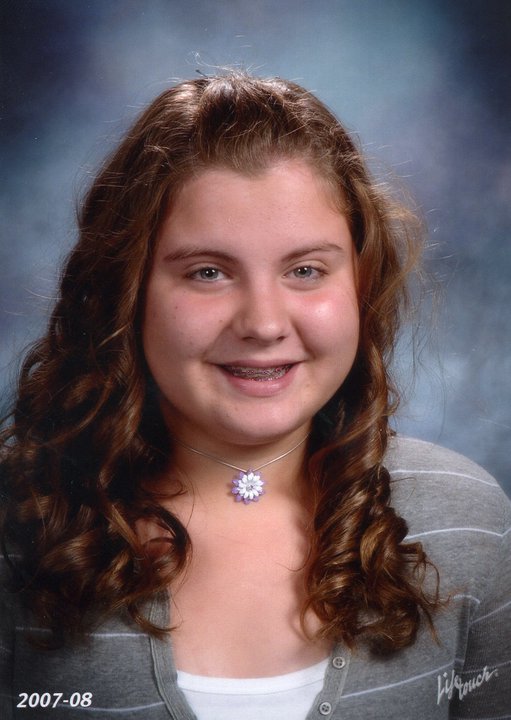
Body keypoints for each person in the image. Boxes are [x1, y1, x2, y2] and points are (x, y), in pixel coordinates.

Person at [0, 73, 509, 720]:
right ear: (126, 292)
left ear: (360, 282)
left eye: (306, 270)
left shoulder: (467, 522)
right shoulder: (18, 526)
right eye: (208, 272)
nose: (264, 324)